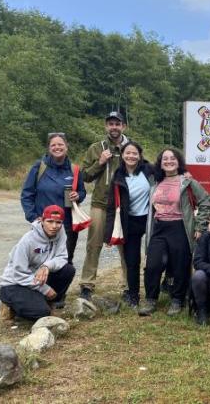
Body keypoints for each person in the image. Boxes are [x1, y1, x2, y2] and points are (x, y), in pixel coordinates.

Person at [139, 147, 210, 317]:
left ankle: (177, 299)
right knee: (152, 264)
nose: (169, 161)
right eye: (165, 159)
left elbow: (205, 201)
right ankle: (150, 299)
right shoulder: (155, 181)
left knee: (180, 265)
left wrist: (200, 226)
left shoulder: (187, 181)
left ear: (178, 162)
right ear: (160, 163)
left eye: (172, 158)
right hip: (159, 227)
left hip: (180, 227)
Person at [79, 111, 130, 301]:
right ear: (105, 126)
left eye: (118, 124)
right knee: (93, 244)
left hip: (124, 206)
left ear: (124, 126)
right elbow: (85, 176)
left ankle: (128, 286)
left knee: (125, 246)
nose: (114, 127)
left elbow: (143, 172)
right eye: (111, 124)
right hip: (100, 203)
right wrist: (100, 162)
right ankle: (87, 284)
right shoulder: (96, 148)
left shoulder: (131, 147)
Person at [0, 205, 76, 321]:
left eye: (58, 222)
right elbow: (18, 273)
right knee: (41, 312)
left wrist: (46, 266)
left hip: (36, 279)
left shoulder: (60, 232)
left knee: (68, 270)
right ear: (42, 220)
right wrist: (45, 289)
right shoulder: (28, 240)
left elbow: (62, 257)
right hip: (15, 283)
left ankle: (46, 302)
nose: (54, 226)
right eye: (50, 221)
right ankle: (10, 305)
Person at [20, 132, 86, 266]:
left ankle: (59, 287)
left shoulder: (74, 170)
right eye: (53, 145)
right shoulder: (39, 167)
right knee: (39, 261)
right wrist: (33, 217)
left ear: (67, 147)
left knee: (65, 262)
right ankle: (41, 287)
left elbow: (82, 191)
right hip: (42, 224)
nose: (57, 147)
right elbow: (27, 194)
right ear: (49, 148)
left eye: (60, 144)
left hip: (67, 224)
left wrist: (78, 196)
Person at [103, 141, 153, 309]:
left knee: (156, 258)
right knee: (132, 261)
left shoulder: (149, 170)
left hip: (149, 219)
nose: (131, 156)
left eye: (134, 153)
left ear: (140, 156)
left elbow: (170, 172)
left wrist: (185, 173)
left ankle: (157, 291)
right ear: (122, 155)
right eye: (128, 153)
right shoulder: (118, 176)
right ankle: (133, 295)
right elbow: (111, 207)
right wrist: (108, 234)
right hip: (128, 222)